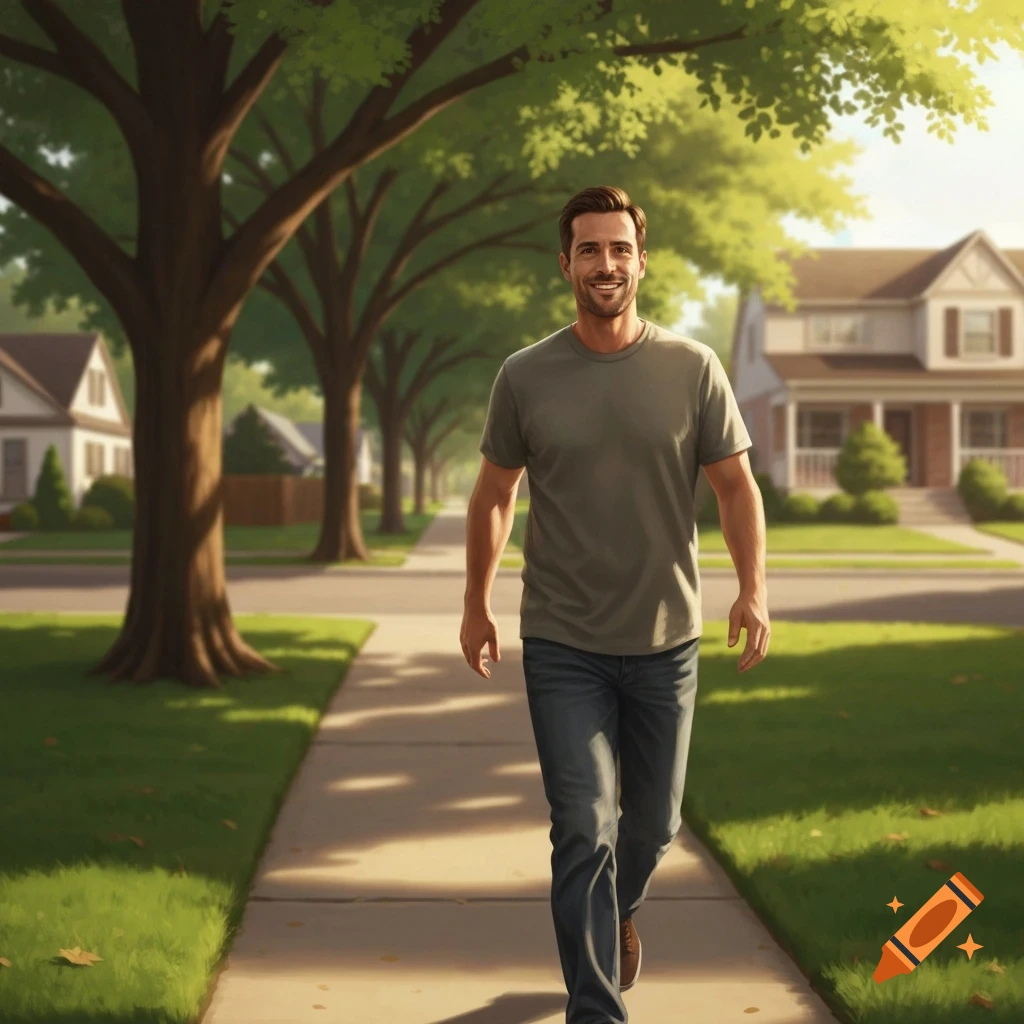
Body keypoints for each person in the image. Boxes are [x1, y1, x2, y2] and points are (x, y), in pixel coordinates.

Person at [460, 185, 770, 1024]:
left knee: (654, 826)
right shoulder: (525, 375)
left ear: (642, 260)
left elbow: (736, 487)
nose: (606, 264)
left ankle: (617, 910)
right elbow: (493, 492)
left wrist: (753, 589)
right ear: (565, 263)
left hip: (667, 639)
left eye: (620, 249)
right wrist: (476, 603)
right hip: (562, 639)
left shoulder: (692, 368)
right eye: (590, 249)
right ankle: (595, 1010)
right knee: (582, 829)